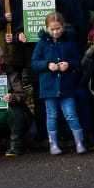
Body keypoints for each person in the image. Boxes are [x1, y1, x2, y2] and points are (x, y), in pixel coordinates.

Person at [33, 11, 88, 155]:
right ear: (47, 28)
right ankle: (54, 144)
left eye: (58, 28)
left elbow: (78, 61)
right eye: (52, 29)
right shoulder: (41, 44)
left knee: (71, 113)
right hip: (49, 87)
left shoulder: (70, 42)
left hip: (66, 86)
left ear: (63, 27)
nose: (56, 32)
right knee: (51, 115)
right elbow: (34, 63)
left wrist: (68, 64)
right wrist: (47, 65)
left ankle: (79, 142)